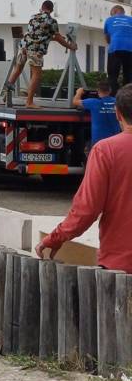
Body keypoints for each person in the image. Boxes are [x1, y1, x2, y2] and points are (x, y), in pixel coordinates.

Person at [36, 84, 132, 273]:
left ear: (118, 113)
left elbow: (87, 209)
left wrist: (56, 238)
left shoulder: (105, 151)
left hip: (120, 268)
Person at [4, 0, 75, 108]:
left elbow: (39, 34)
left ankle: (6, 95)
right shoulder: (51, 21)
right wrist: (70, 46)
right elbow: (58, 38)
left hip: (23, 47)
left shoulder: (33, 17)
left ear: (42, 7)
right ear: (51, 10)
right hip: (36, 51)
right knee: (36, 75)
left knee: (17, 70)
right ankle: (29, 102)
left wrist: (54, 37)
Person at [75, 82, 120, 149]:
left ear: (98, 91)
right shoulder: (117, 102)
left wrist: (79, 92)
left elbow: (75, 101)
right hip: (114, 140)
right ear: (110, 90)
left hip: (98, 142)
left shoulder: (93, 102)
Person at [104, 4, 132, 94]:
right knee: (128, 74)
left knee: (112, 75)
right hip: (130, 49)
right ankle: (128, 97)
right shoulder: (131, 19)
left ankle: (113, 97)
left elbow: (107, 38)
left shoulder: (109, 20)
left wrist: (111, 42)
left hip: (115, 47)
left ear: (114, 11)